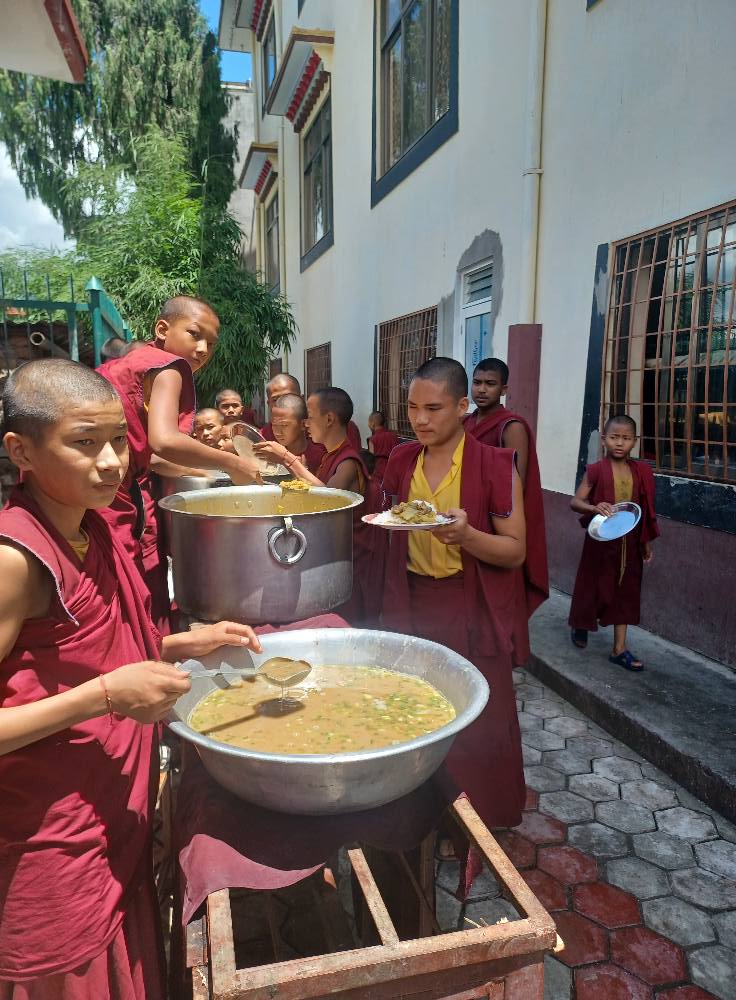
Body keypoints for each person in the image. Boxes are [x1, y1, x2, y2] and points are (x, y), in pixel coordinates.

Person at [0, 359, 262, 999]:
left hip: (113, 808)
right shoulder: (14, 559)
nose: (111, 461)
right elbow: (96, 680)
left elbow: (84, 651)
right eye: (83, 443)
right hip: (51, 842)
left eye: (118, 439)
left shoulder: (89, 526)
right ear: (20, 451)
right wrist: (108, 697)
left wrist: (177, 643)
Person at [381, 357, 527, 829]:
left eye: (434, 408)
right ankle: (419, 812)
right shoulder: (402, 460)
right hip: (412, 602)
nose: (420, 420)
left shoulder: (494, 465)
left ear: (463, 407)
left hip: (470, 604)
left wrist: (467, 538)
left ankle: (475, 823)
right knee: (413, 710)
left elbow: (514, 550)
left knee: (476, 719)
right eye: (412, 408)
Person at [98, 295, 259, 631]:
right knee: (135, 591)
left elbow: (152, 455)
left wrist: (204, 471)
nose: (203, 350)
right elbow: (165, 440)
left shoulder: (134, 364)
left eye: (211, 344)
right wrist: (233, 465)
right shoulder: (168, 367)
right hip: (117, 491)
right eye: (194, 334)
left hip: (101, 489)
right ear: (162, 328)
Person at [254, 387, 384, 625]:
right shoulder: (329, 456)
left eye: (310, 417)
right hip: (332, 555)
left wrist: (287, 458)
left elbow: (327, 499)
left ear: (329, 419)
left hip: (349, 564)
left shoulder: (347, 461)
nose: (306, 424)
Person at [465, 358, 548, 641]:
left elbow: (516, 483)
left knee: (495, 599)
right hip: (466, 519)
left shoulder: (511, 427)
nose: (482, 390)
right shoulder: (464, 422)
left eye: (490, 384)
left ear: (504, 388)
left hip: (495, 523)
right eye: (477, 383)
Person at [569, 414, 659, 671]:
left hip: (629, 543)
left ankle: (619, 649)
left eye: (626, 438)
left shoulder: (640, 471)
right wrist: (594, 506)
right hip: (600, 541)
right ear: (605, 439)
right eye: (614, 437)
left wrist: (646, 543)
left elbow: (644, 509)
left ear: (635, 441)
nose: (620, 443)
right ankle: (581, 624)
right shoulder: (596, 470)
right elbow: (575, 502)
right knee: (591, 586)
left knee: (626, 594)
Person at [262, 373, 362, 450]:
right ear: (268, 404)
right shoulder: (264, 435)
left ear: (302, 398)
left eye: (290, 397)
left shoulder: (338, 427)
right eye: (275, 400)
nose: (283, 403)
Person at [270, 393, 325, 474]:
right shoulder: (272, 454)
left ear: (303, 424)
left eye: (284, 425)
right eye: (274, 425)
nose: (277, 432)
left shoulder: (319, 457)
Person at [367, 410, 399, 481]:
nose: (368, 424)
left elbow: (371, 459)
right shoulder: (393, 436)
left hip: (378, 471)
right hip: (392, 469)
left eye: (368, 422)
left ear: (373, 423)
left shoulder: (372, 439)